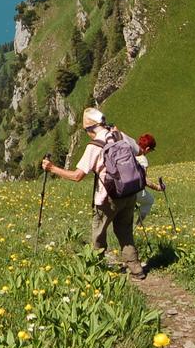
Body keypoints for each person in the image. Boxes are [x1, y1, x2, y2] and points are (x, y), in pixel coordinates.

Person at [41, 108, 154, 280]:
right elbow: (138, 151)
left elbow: (77, 176)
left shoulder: (94, 146)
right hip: (130, 192)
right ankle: (136, 268)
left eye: (87, 131)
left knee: (99, 233)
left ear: (91, 129)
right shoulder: (119, 135)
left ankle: (96, 268)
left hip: (108, 197)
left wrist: (52, 168)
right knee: (125, 230)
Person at [135, 133, 161, 226]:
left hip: (120, 187)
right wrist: (157, 187)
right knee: (149, 200)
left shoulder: (129, 152)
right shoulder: (142, 159)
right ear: (147, 149)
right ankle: (138, 225)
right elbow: (144, 180)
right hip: (134, 190)